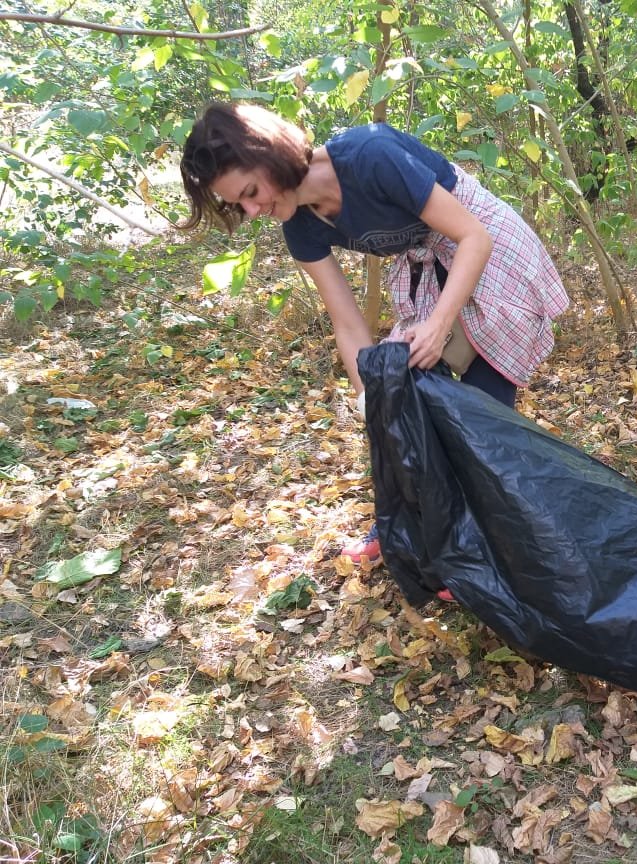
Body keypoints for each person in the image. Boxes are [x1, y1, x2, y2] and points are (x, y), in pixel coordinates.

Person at [179, 102, 569, 565]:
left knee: (484, 414)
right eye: (237, 204)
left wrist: (439, 324)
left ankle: (491, 544)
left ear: (272, 154)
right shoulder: (300, 227)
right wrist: (374, 399)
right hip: (429, 264)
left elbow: (473, 238)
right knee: (403, 395)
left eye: (250, 190)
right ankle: (405, 527)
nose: (252, 208)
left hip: (486, 247)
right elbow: (347, 323)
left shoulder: (370, 154)